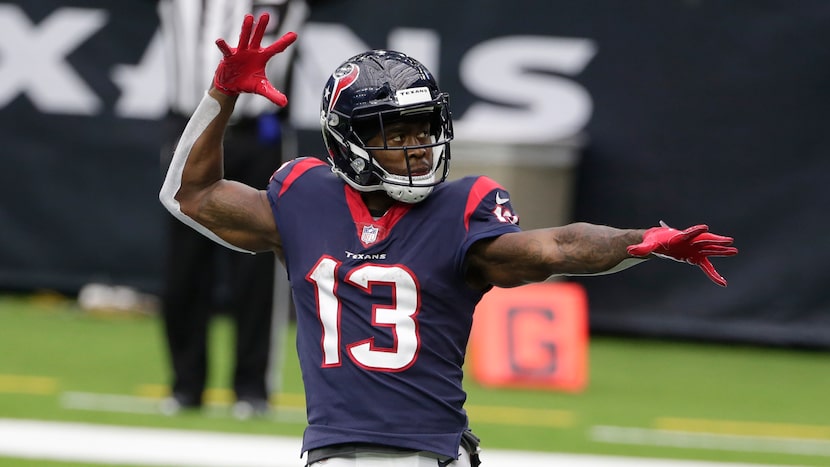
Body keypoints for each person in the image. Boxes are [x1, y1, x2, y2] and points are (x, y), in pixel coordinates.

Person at [159, 13, 738, 466]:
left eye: (423, 130)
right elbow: (189, 196)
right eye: (395, 134)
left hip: (428, 452)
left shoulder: (458, 210)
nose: (415, 148)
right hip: (342, 453)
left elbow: (552, 247)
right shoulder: (305, 198)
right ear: (348, 141)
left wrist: (639, 241)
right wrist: (221, 94)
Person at [156, 0, 309, 418]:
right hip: (191, 128)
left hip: (259, 133)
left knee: (259, 266)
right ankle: (186, 387)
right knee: (184, 269)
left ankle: (252, 388)